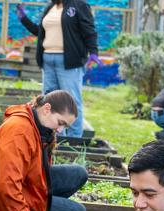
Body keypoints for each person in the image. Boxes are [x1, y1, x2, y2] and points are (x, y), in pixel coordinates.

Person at [15, 0, 101, 137]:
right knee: (48, 101)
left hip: (69, 61)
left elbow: (89, 30)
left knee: (72, 101)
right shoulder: (51, 7)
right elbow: (40, 32)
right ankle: (53, 139)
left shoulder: (79, 5)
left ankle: (74, 140)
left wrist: (93, 52)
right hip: (48, 60)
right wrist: (24, 19)